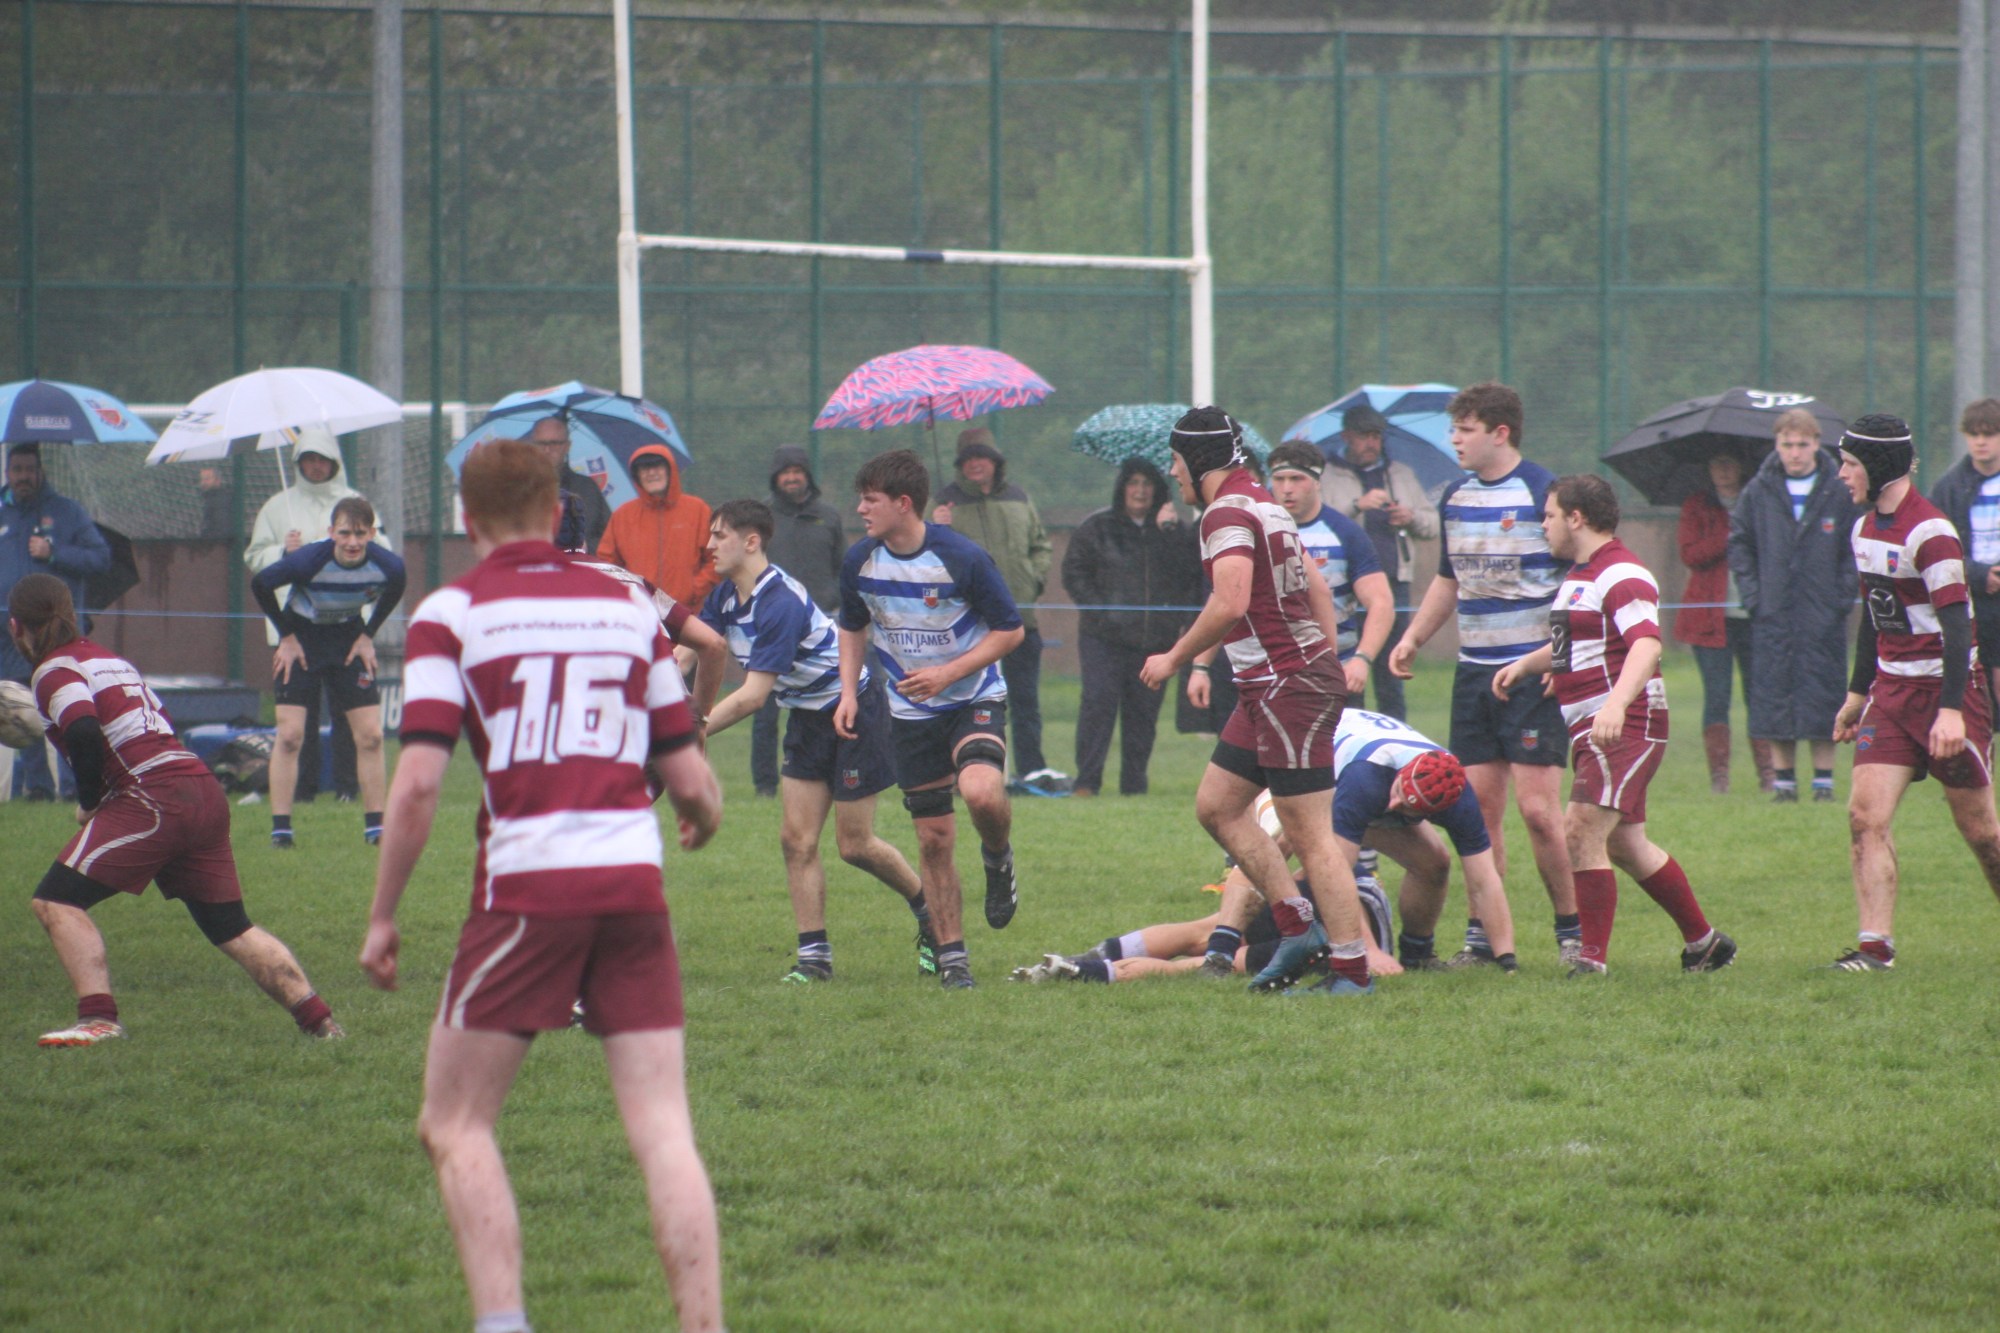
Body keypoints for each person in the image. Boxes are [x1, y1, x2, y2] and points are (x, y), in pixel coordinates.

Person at [359, 438, 724, 1333]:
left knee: (455, 1122)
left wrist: (383, 914)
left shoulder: (452, 612)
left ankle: (503, 1321)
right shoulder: (625, 605)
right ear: (559, 512)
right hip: (632, 882)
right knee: (663, 1129)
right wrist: (701, 815)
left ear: (465, 517)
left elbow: (416, 786)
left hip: (528, 887)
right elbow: (689, 777)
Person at [10, 573, 342, 1047]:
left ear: (15, 626)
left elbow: (82, 729)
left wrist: (89, 802)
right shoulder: (110, 660)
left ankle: (98, 1019)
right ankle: (321, 1022)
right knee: (232, 927)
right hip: (199, 786)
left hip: (154, 795)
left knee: (56, 901)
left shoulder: (54, 669)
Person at [1135, 405, 1374, 997]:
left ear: (1197, 461)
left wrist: (1174, 658)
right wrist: (1324, 659)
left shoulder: (1224, 513)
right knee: (1217, 806)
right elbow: (1318, 590)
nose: (1172, 472)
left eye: (1175, 461)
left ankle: (1351, 969)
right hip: (1272, 685)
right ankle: (1296, 926)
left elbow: (1230, 601)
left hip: (1285, 686)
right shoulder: (1264, 502)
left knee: (1310, 834)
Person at [1495, 474, 1736, 976]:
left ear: (1576, 518)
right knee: (1626, 844)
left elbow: (1646, 644)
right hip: (1598, 725)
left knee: (1580, 830)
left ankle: (1591, 961)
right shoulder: (1581, 575)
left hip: (1624, 724)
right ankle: (1705, 944)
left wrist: (1615, 705)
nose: (1543, 525)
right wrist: (1527, 666)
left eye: (1549, 515)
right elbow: (1575, 647)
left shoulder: (1622, 573)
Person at [699, 499, 937, 983]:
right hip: (807, 719)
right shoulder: (725, 597)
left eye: (719, 535)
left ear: (751, 542)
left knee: (855, 845)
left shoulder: (779, 603)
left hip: (853, 712)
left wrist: (688, 733)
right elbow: (690, 649)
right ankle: (815, 959)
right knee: (796, 841)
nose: (709, 545)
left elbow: (752, 697)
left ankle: (931, 912)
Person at [1387, 382, 1580, 968]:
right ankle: (1482, 940)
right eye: (1454, 429)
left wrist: (1560, 658)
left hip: (1532, 678)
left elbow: (1581, 584)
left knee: (1540, 815)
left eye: (1465, 430)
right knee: (1478, 815)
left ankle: (1573, 935)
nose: (1455, 440)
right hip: (1474, 677)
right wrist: (1413, 637)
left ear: (1500, 433)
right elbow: (1449, 581)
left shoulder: (1545, 492)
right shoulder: (1455, 497)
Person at [837, 448, 1025, 989]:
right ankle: (953, 960)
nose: (861, 509)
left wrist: (948, 674)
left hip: (972, 697)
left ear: (903, 503)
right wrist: (848, 692)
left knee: (982, 793)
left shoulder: (961, 557)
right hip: (909, 713)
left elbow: (1010, 630)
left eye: (870, 500)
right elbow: (852, 625)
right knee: (934, 840)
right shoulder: (860, 561)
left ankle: (998, 857)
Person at [1828, 414, 2000, 971]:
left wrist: (1951, 711)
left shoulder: (1931, 533)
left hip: (1949, 695)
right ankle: (1875, 949)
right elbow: (1874, 617)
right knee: (1864, 816)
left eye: (1850, 464)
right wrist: (1857, 694)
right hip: (1892, 694)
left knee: (1982, 834)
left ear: (1878, 466)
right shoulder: (1863, 529)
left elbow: (1958, 629)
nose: (1842, 474)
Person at [1010, 790, 1401, 983]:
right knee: (1203, 961)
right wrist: (1370, 949)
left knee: (1203, 935)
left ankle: (1094, 959)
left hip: (1317, 907)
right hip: (1336, 933)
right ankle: (1087, 971)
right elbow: (1345, 888)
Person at [250, 494, 405, 848]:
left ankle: (376, 829)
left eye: (360, 534)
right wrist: (286, 637)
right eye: (345, 533)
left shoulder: (389, 566)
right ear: (331, 532)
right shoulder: (308, 561)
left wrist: (368, 635)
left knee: (371, 736)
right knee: (290, 735)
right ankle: (281, 832)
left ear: (372, 534)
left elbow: (396, 588)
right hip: (302, 640)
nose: (352, 542)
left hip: (348, 639)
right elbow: (260, 584)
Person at [1728, 408, 1858, 803]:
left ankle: (1823, 783)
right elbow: (1739, 544)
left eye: (1802, 444)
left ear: (1817, 444)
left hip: (1823, 615)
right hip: (1773, 613)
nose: (1795, 452)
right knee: (1774, 694)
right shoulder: (1758, 490)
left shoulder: (1838, 489)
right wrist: (1755, 597)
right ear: (1777, 444)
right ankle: (1783, 782)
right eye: (1787, 444)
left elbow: (1855, 547)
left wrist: (1839, 598)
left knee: (1824, 693)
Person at [243, 427, 373, 803]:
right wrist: (283, 553)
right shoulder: (276, 507)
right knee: (299, 715)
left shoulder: (355, 503)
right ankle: (302, 790)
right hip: (293, 630)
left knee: (350, 711)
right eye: (308, 459)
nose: (316, 467)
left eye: (322, 459)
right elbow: (255, 558)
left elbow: (378, 549)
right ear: (298, 464)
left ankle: (348, 788)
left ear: (334, 462)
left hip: (345, 623)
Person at [1060, 455, 1201, 796]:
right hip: (1103, 639)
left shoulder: (1173, 531)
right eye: (1133, 483)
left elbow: (1190, 576)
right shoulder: (1097, 527)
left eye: (1147, 484)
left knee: (1143, 716)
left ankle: (1134, 785)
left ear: (1158, 491)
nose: (1140, 491)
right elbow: (1074, 572)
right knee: (1098, 706)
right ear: (1122, 488)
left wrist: (1171, 532)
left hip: (1155, 641)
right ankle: (1087, 782)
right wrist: (1102, 612)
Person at [931, 428, 1062, 791]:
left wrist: (1033, 579)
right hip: (969, 627)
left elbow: (1041, 546)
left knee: (1025, 701)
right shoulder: (943, 505)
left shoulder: (1019, 498)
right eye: (968, 458)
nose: (975, 464)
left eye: (982, 456)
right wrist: (937, 528)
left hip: (1020, 620)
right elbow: (926, 555)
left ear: (995, 462)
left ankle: (1031, 770)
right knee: (965, 702)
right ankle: (963, 771)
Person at [3, 442, 110, 801]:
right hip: (9, 634)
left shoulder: (68, 512)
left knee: (65, 702)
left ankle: (75, 786)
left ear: (41, 471)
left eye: (29, 470)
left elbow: (100, 558)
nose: (23, 477)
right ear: (7, 473)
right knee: (19, 706)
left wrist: (54, 553)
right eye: (17, 470)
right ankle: (38, 788)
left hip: (56, 630)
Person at [1319, 404, 1440, 720]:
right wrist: (1356, 505)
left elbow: (1432, 525)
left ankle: (1394, 736)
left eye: (1376, 436)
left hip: (1393, 583)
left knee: (1391, 672)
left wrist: (1410, 518)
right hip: (1343, 587)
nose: (1372, 443)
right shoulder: (1326, 475)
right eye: (1364, 436)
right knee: (1345, 667)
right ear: (1347, 436)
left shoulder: (1400, 474)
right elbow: (1316, 521)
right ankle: (1350, 731)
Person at [1264, 442, 1396, 703]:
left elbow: (1382, 603)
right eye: (1279, 479)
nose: (1287, 488)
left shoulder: (1346, 533)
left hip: (1335, 675)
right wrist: (1201, 667)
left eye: (1296, 479)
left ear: (1317, 481)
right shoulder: (1258, 532)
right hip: (1271, 677)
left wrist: (1362, 659)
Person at [752, 444, 848, 798]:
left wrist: (835, 602)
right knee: (763, 709)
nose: (792, 478)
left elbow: (843, 569)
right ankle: (765, 785)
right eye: (785, 472)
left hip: (821, 630)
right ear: (775, 478)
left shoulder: (829, 516)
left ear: (807, 476)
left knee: (827, 705)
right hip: (771, 628)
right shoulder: (761, 517)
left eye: (798, 471)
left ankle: (833, 772)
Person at [1676, 449, 1756, 792]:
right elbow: (1691, 554)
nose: (1722, 470)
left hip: (1753, 616)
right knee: (1717, 696)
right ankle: (1719, 778)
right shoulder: (1697, 506)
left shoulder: (1758, 501)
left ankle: (1770, 775)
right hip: (1709, 618)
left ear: (1740, 466)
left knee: (1759, 695)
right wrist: (1727, 533)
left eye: (1728, 462)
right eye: (1716, 463)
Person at [1926, 398, 2000, 714]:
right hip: (1971, 599)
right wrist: (1979, 574)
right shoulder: (1949, 487)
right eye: (1973, 434)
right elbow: (1936, 546)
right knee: (1977, 688)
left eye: (1989, 434)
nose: (1980, 442)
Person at [597, 442, 716, 609]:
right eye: (644, 469)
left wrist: (693, 590)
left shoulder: (698, 510)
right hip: (640, 613)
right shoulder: (622, 516)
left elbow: (715, 557)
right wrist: (628, 594)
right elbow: (607, 563)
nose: (651, 473)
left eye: (657, 466)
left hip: (688, 613)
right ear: (637, 476)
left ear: (670, 470)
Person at [525, 414, 612, 556]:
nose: (547, 450)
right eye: (541, 443)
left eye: (554, 443)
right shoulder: (519, 489)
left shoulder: (587, 488)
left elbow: (608, 539)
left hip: (578, 565)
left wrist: (580, 548)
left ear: (567, 446)